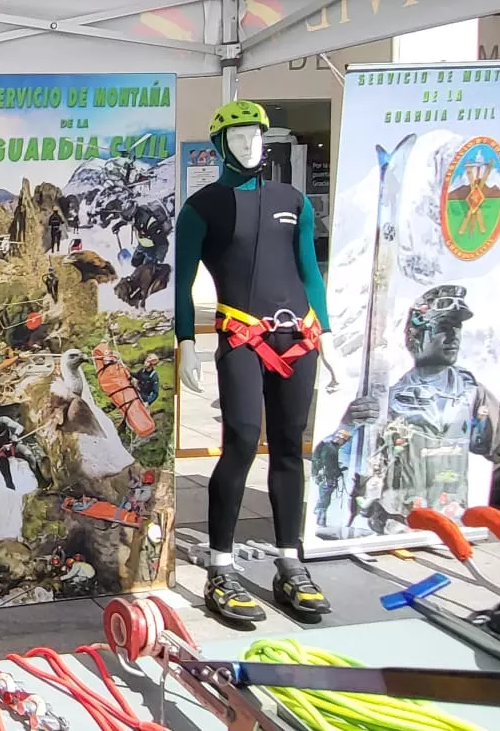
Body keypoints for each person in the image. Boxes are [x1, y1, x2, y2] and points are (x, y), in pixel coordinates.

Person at [175, 100, 335, 625]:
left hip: (299, 336)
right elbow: (181, 281)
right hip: (243, 336)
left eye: (256, 136)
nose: (251, 145)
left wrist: (326, 331)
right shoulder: (202, 207)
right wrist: (185, 341)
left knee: (290, 447)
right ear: (220, 146)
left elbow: (308, 270)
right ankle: (221, 566)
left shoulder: (294, 200)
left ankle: (291, 561)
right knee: (242, 439)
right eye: (239, 138)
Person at [333, 285, 498, 534]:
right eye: (442, 328)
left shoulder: (473, 392)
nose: (452, 337)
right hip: (398, 522)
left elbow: (488, 446)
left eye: (457, 328)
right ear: (416, 335)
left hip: (451, 520)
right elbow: (341, 460)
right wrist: (348, 424)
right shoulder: (389, 399)